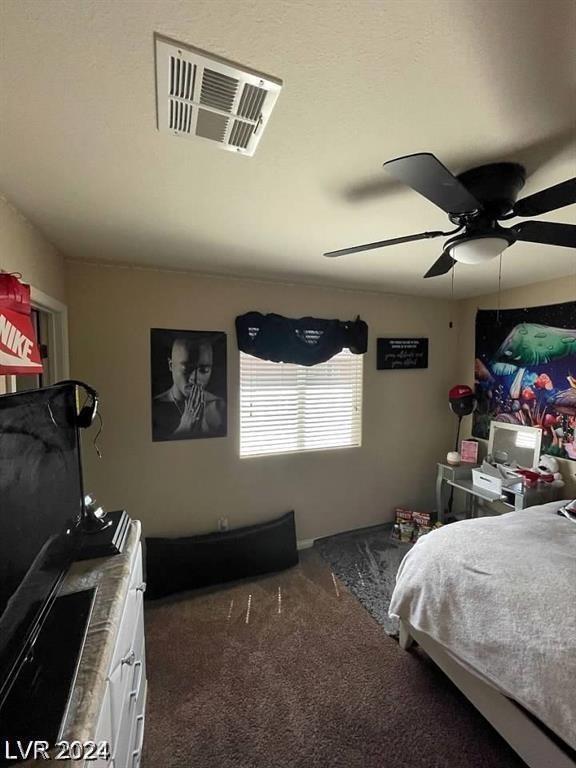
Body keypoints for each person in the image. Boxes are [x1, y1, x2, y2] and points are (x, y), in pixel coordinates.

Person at [152, 336, 226, 440]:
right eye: (187, 369)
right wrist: (184, 429)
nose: (194, 379)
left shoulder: (219, 407)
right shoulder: (155, 407)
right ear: (170, 365)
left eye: (204, 370)